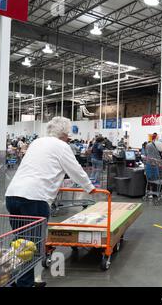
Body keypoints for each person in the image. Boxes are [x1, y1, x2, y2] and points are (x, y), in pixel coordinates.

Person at [5, 117, 95, 287]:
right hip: (34, 198)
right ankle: (24, 284)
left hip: (13, 194)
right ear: (63, 133)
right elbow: (75, 170)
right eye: (68, 133)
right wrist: (90, 188)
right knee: (32, 245)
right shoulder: (61, 146)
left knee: (20, 243)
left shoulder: (37, 143)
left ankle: (20, 280)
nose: (68, 137)